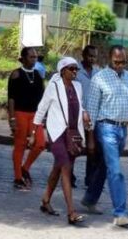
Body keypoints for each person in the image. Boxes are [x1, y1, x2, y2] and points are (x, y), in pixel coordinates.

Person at [83, 45, 128, 227]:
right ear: (110, 59)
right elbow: (92, 110)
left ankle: (89, 198)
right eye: (116, 62)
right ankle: (120, 212)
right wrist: (91, 138)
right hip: (105, 128)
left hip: (123, 129)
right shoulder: (99, 78)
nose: (119, 65)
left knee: (105, 166)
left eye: (123, 62)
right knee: (115, 170)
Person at [30, 57, 91, 225]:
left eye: (76, 69)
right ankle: (71, 212)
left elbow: (78, 105)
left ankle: (45, 200)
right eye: (72, 68)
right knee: (65, 168)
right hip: (57, 133)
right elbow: (42, 108)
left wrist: (84, 113)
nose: (75, 72)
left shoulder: (77, 87)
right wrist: (35, 132)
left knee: (58, 168)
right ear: (63, 70)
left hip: (73, 134)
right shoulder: (54, 86)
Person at [7, 46, 45, 190]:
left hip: (35, 115)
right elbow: (11, 98)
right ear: (23, 58)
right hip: (20, 113)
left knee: (40, 143)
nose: (34, 59)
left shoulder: (38, 75)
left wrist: (43, 116)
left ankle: (25, 168)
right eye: (31, 57)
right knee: (20, 145)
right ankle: (18, 177)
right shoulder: (16, 74)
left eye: (35, 57)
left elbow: (42, 99)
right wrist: (12, 119)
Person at [76, 45, 105, 200]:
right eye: (90, 56)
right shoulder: (76, 71)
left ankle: (90, 179)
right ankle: (69, 176)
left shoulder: (98, 73)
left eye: (94, 56)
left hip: (92, 116)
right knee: (74, 146)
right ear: (83, 55)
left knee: (92, 149)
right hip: (77, 115)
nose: (92, 59)